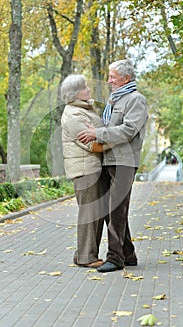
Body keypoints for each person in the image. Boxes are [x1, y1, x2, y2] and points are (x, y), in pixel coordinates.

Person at [77, 59, 148, 272]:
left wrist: (97, 133)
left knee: (116, 209)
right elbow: (112, 128)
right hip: (109, 159)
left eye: (112, 76)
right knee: (111, 210)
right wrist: (96, 128)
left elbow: (128, 131)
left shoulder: (136, 100)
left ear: (126, 78)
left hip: (124, 162)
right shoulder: (115, 101)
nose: (109, 80)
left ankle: (115, 258)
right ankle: (128, 254)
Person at [61, 74, 108, 268]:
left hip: (92, 168)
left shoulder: (84, 109)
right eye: (84, 87)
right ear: (74, 93)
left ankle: (83, 254)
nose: (89, 89)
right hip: (85, 170)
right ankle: (87, 257)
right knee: (90, 213)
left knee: (94, 212)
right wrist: (116, 139)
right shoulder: (73, 115)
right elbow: (94, 145)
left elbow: (99, 133)